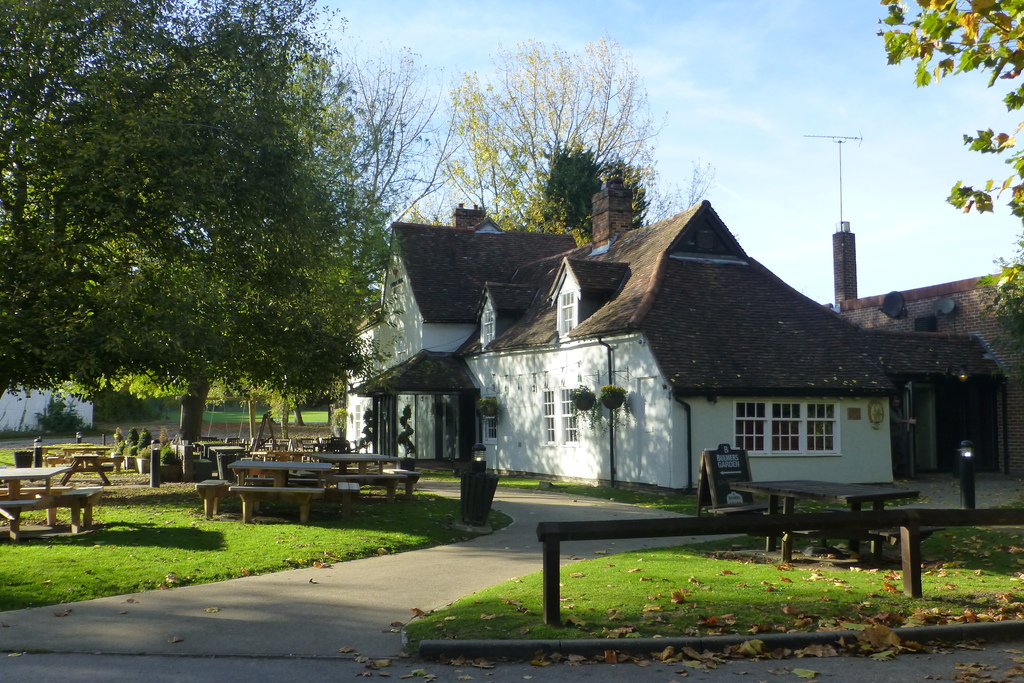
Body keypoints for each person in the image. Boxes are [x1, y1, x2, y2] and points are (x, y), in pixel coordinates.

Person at [890, 395, 916, 477]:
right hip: (892, 435)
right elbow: (896, 421)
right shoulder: (889, 411)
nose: (896, 405)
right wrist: (908, 421)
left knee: (902, 452)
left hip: (899, 435)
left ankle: (895, 466)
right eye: (895, 403)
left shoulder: (899, 410)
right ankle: (892, 468)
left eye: (898, 403)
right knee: (892, 452)